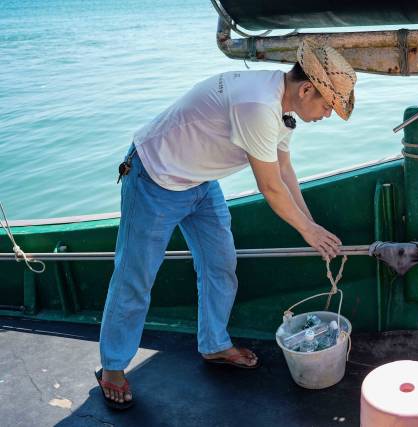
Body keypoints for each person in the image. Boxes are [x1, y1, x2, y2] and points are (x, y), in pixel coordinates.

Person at [95, 39, 357, 410]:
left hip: (200, 182)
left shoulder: (282, 106)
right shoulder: (257, 106)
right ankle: (113, 367)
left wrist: (312, 225)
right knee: (135, 278)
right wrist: (308, 232)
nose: (328, 114)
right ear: (307, 89)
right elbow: (269, 188)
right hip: (155, 177)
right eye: (328, 105)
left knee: (221, 265)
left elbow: (285, 172)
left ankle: (214, 344)